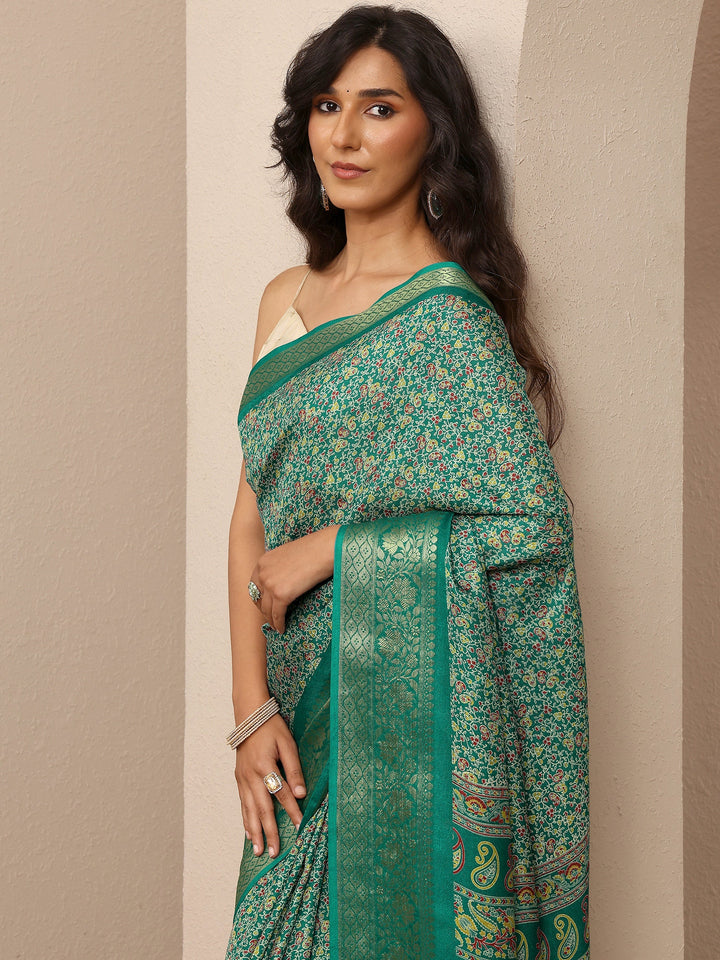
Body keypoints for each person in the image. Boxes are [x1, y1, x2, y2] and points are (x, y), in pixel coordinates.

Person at [224, 6, 589, 959]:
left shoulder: (448, 323)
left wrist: (335, 550)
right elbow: (248, 517)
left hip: (411, 730)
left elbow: (532, 527)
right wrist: (250, 713)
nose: (343, 135)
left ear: (435, 132)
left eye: (379, 108)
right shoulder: (284, 300)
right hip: (295, 714)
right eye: (327, 105)